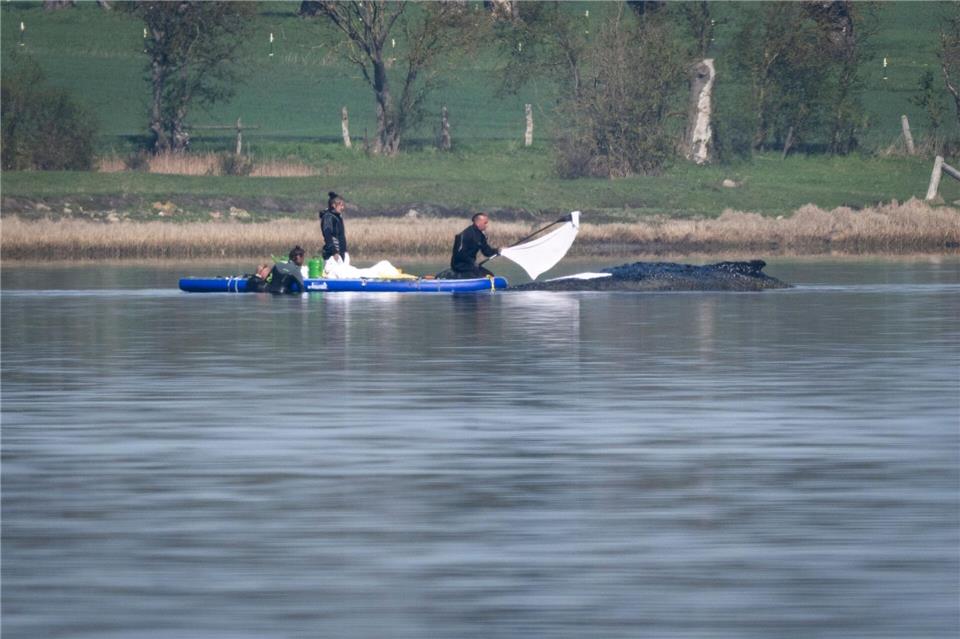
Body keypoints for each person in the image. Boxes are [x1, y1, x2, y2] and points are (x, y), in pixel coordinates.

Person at [448, 212, 501, 278]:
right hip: (459, 265)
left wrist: (497, 251)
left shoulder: (481, 236)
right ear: (478, 222)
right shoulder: (465, 234)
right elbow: (459, 254)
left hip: (470, 265)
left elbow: (487, 251)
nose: (486, 225)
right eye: (485, 223)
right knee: (482, 276)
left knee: (490, 275)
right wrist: (472, 262)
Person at [319, 191, 349, 270]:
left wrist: (344, 252)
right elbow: (327, 235)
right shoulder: (328, 217)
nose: (343, 208)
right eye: (341, 205)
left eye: (343, 205)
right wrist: (334, 252)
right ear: (333, 205)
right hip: (332, 255)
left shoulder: (338, 216)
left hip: (341, 254)